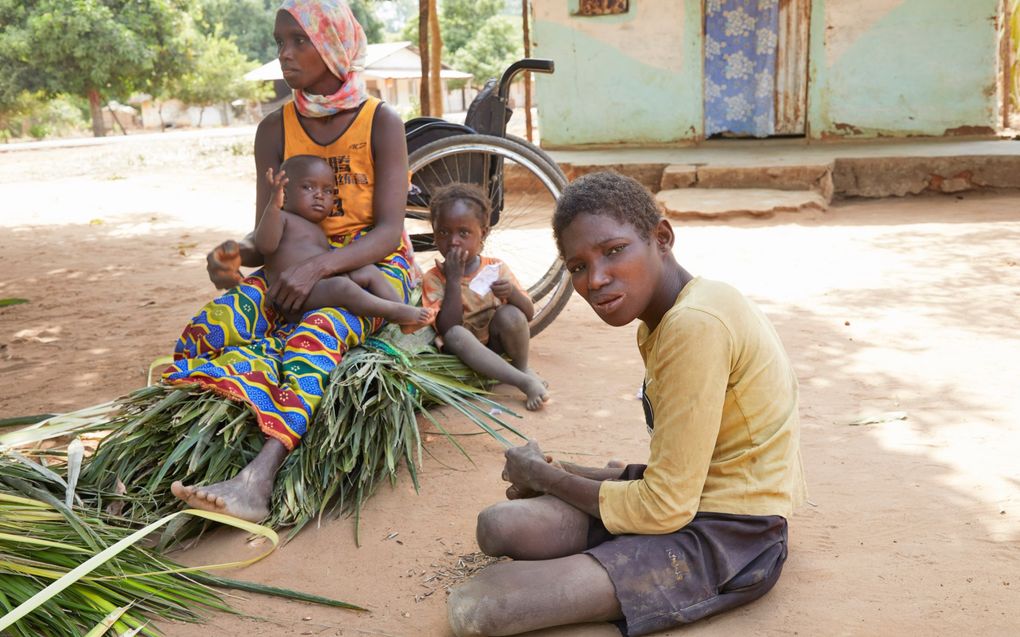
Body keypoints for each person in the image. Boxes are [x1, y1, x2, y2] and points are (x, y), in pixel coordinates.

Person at [446, 172, 807, 636]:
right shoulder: (662, 318)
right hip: (689, 498)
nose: (595, 279)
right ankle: (606, 560)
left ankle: (613, 566)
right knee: (498, 526)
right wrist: (568, 473)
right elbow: (679, 472)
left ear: (662, 237)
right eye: (577, 266)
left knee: (479, 605)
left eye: (614, 250)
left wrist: (546, 477)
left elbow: (663, 507)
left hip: (732, 534)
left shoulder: (694, 324)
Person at [168, 0, 416, 522]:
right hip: (291, 267)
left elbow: (391, 232)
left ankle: (257, 478)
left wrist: (321, 268)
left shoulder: (381, 123)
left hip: (370, 270)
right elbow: (267, 231)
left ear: (333, 45)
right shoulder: (274, 130)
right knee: (212, 324)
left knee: (317, 334)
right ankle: (186, 425)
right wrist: (234, 255)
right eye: (280, 41)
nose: (285, 53)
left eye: (299, 41)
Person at [255, 154, 433, 328]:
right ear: (284, 195)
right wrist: (272, 206)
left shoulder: (317, 227)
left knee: (366, 271)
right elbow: (265, 245)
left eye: (327, 191)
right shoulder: (282, 217)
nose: (319, 195)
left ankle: (404, 311)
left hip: (319, 285)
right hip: (293, 298)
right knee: (341, 287)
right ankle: (392, 312)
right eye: (308, 187)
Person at [421, 183, 549, 411]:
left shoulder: (496, 268)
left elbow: (527, 314)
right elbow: (447, 327)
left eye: (464, 233)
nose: (453, 241)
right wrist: (452, 280)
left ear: (484, 233)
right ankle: (522, 381)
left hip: (495, 344)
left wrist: (511, 294)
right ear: (434, 233)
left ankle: (521, 367)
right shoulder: (434, 278)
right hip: (463, 354)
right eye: (443, 232)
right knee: (455, 335)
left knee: (511, 314)